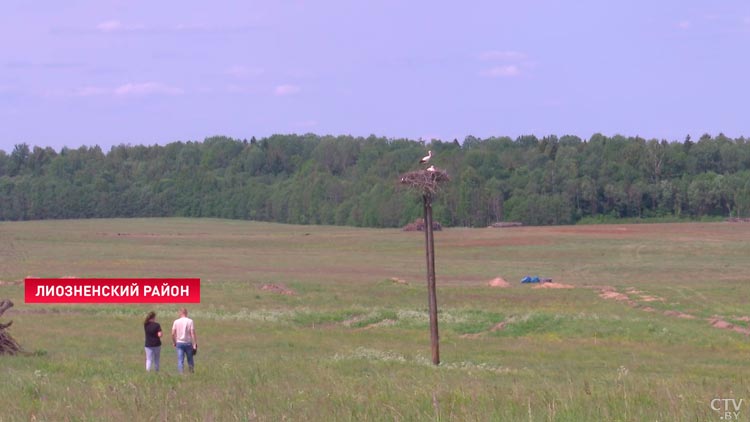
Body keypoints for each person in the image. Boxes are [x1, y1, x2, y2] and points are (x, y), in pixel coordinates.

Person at [171, 307, 197, 374]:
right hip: (188, 342)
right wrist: (194, 344)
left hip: (179, 343)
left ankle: (181, 373)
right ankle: (191, 372)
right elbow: (192, 333)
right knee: (190, 359)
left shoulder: (176, 321)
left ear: (180, 313)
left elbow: (173, 333)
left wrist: (174, 342)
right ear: (186, 313)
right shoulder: (190, 321)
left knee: (180, 360)